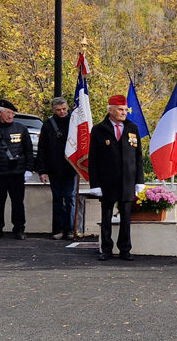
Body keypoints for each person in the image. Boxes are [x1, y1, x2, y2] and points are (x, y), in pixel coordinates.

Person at [89, 94, 145, 261]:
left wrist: (139, 181)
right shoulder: (99, 129)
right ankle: (106, 249)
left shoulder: (132, 128)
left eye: (125, 110)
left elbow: (138, 157)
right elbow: (93, 159)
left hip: (127, 181)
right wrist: (95, 184)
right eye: (120, 110)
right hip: (107, 181)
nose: (123, 113)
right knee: (106, 217)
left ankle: (125, 249)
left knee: (126, 218)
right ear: (110, 110)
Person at [0, 99, 37, 239]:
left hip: (17, 172)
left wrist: (28, 169)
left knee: (18, 202)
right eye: (8, 113)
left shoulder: (20, 128)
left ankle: (19, 229)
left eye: (12, 113)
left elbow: (28, 150)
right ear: (0, 113)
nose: (10, 116)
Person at [37, 97, 76, 240]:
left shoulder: (74, 123)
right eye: (59, 110)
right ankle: (59, 229)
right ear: (53, 110)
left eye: (64, 109)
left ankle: (71, 228)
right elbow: (42, 149)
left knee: (70, 198)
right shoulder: (48, 125)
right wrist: (42, 171)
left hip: (71, 168)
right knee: (58, 199)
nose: (62, 112)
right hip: (54, 168)